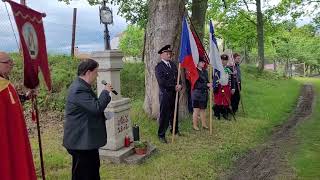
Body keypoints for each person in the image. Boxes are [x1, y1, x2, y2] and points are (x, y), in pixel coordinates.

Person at [63, 59, 113, 180]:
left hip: (86, 140)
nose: (97, 76)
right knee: (84, 174)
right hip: (81, 141)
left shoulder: (82, 86)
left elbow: (89, 108)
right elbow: (96, 107)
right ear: (88, 72)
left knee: (91, 169)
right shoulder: (78, 89)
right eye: (96, 72)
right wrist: (105, 92)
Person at [0, 52, 37, 180]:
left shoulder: (5, 83)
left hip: (14, 132)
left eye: (11, 61)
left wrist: (26, 97)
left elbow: (11, 102)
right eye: (7, 62)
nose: (11, 64)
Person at [155, 44, 182, 143]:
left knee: (174, 113)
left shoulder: (173, 65)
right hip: (165, 94)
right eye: (167, 53)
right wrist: (174, 87)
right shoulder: (159, 67)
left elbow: (178, 77)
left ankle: (174, 130)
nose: (169, 55)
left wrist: (180, 85)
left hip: (175, 94)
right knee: (164, 115)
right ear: (161, 55)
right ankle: (161, 135)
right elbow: (162, 82)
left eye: (169, 53)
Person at [213, 54, 235, 120]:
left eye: (225, 60)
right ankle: (217, 114)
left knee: (226, 100)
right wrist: (215, 87)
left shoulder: (229, 69)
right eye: (222, 60)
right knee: (218, 100)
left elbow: (232, 79)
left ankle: (225, 114)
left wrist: (233, 88)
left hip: (227, 87)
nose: (224, 61)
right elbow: (214, 78)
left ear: (227, 61)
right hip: (219, 87)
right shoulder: (217, 69)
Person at [192, 58, 211, 130]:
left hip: (204, 94)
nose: (204, 63)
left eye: (204, 62)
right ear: (197, 62)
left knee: (203, 109)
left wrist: (210, 85)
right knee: (196, 110)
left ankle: (203, 124)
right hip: (197, 93)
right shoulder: (194, 71)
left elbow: (207, 81)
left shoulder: (205, 71)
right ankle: (195, 125)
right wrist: (206, 85)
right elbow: (196, 84)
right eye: (202, 62)